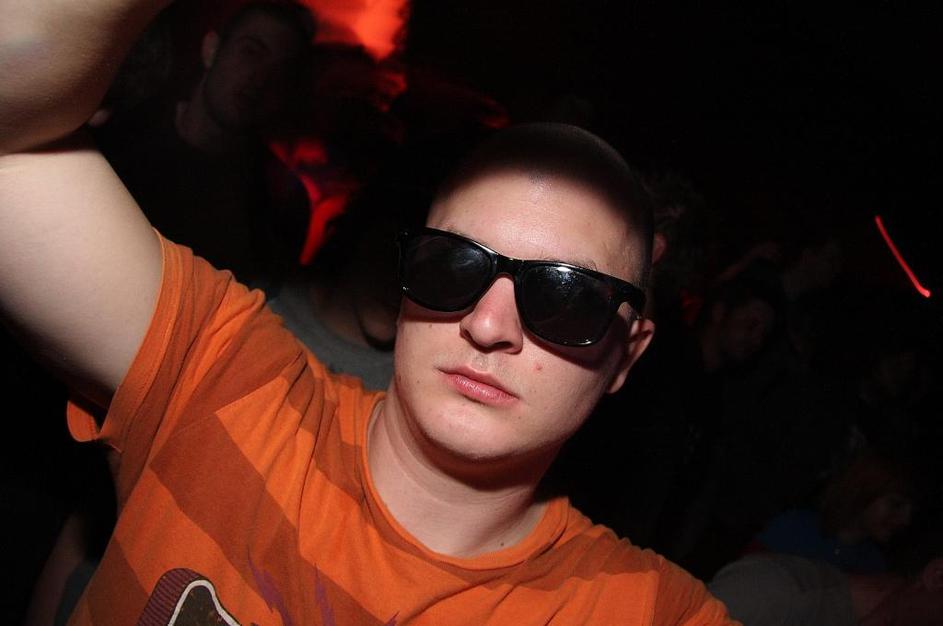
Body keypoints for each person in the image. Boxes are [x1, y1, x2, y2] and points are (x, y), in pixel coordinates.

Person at [0, 1, 735, 623]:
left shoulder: (638, 609)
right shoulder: (223, 379)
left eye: (564, 296)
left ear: (627, 351)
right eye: (454, 266)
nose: (487, 326)